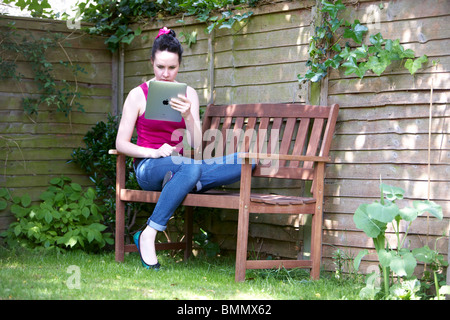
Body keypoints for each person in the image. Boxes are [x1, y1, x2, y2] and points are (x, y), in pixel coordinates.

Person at [115, 27, 254, 270]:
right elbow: (121, 144)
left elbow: (198, 143)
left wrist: (189, 115)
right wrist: (153, 152)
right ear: (152, 63)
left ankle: (186, 181)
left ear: (180, 65)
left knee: (246, 160)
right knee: (190, 168)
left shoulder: (188, 93)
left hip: (182, 167)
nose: (166, 74)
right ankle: (149, 233)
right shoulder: (138, 95)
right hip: (149, 168)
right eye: (160, 67)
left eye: (172, 68)